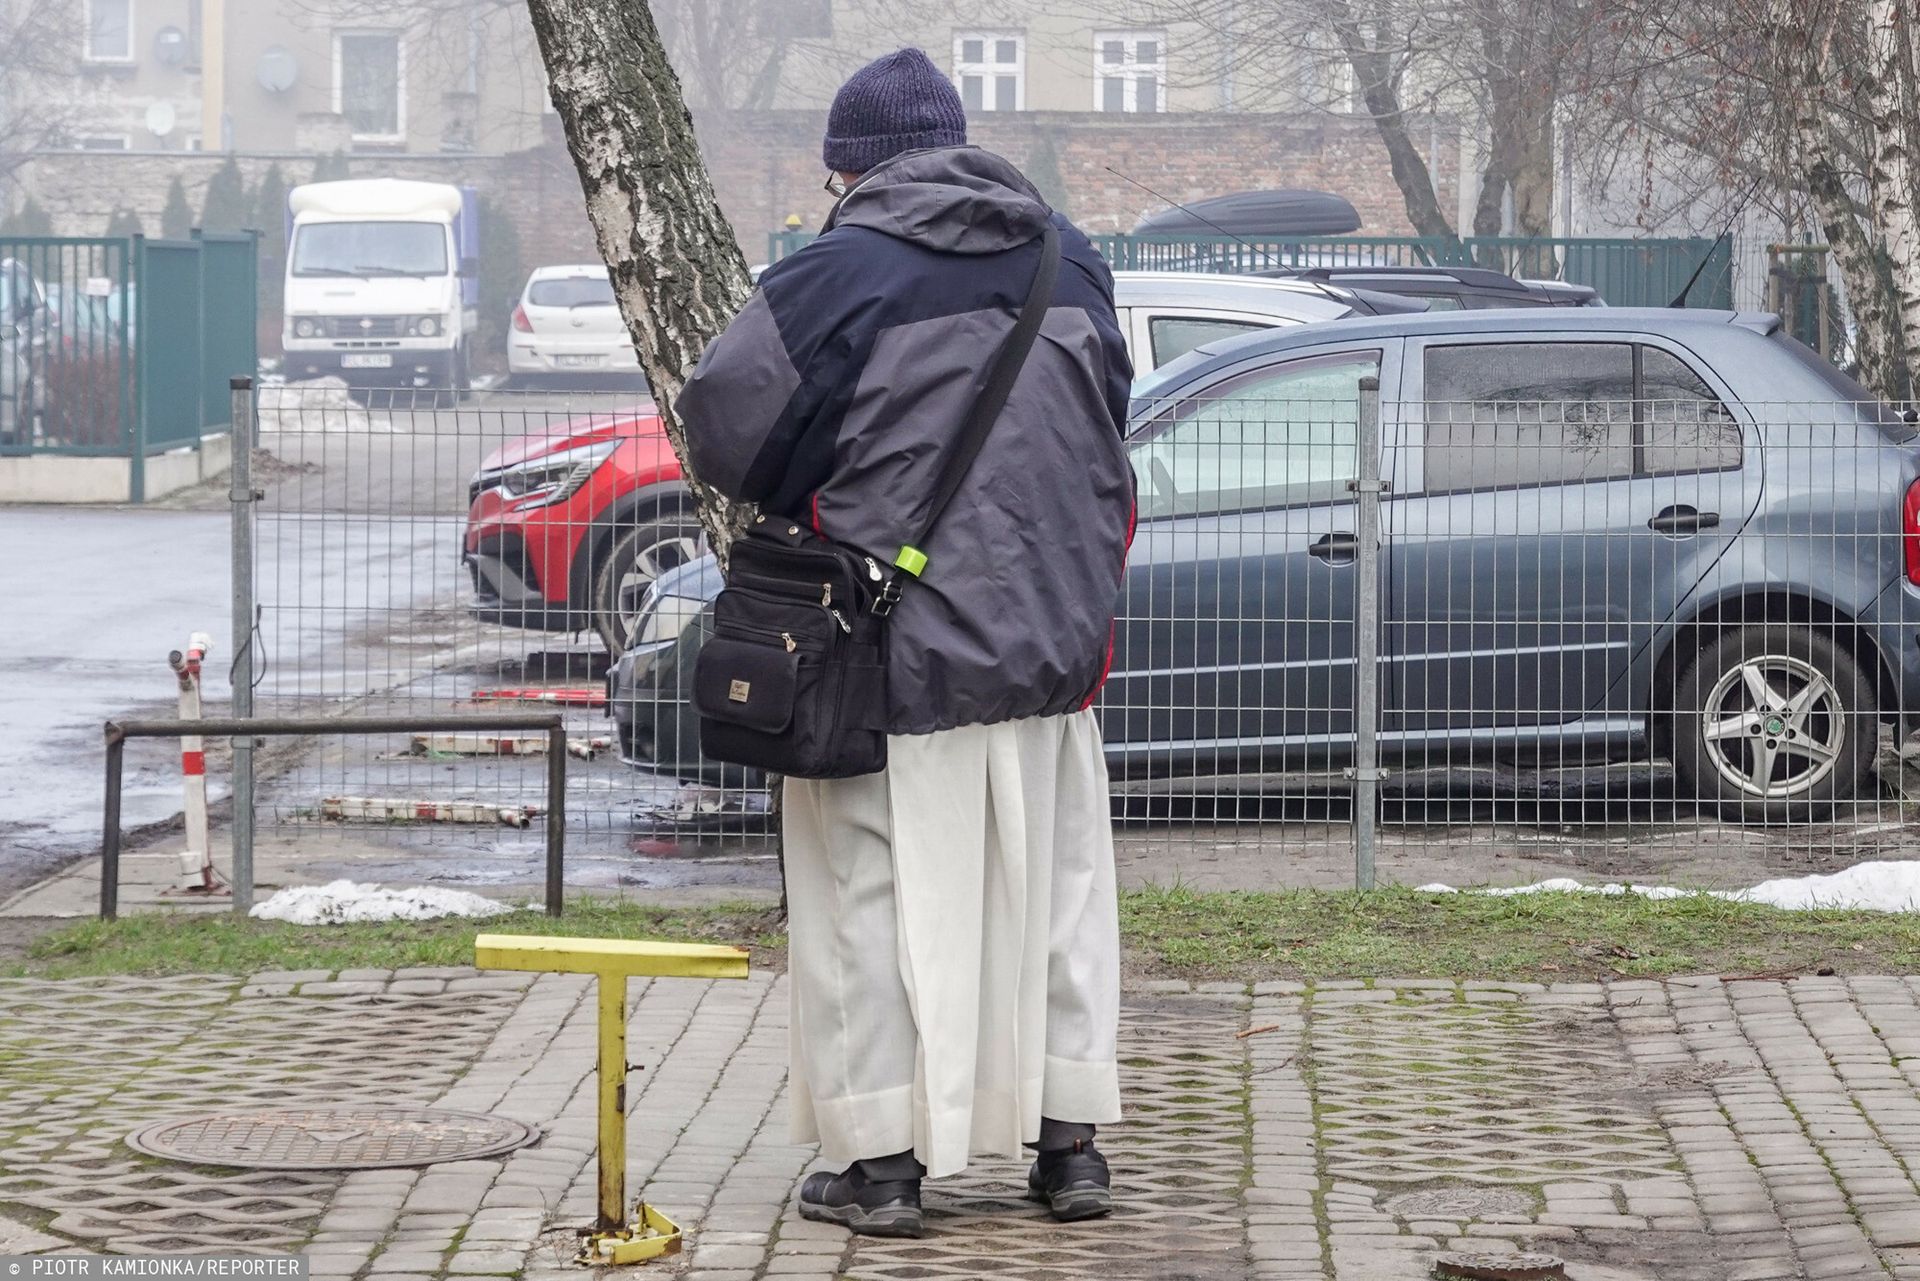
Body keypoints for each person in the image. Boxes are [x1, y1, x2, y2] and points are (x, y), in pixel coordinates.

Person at [675, 46, 1135, 1240]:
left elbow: (723, 427)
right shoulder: (1068, 258)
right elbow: (1105, 423)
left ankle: (881, 1164)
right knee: (1058, 900)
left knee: (867, 905)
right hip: (1053, 652)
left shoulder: (836, 274)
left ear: (850, 170)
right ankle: (1072, 1149)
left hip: (891, 652)